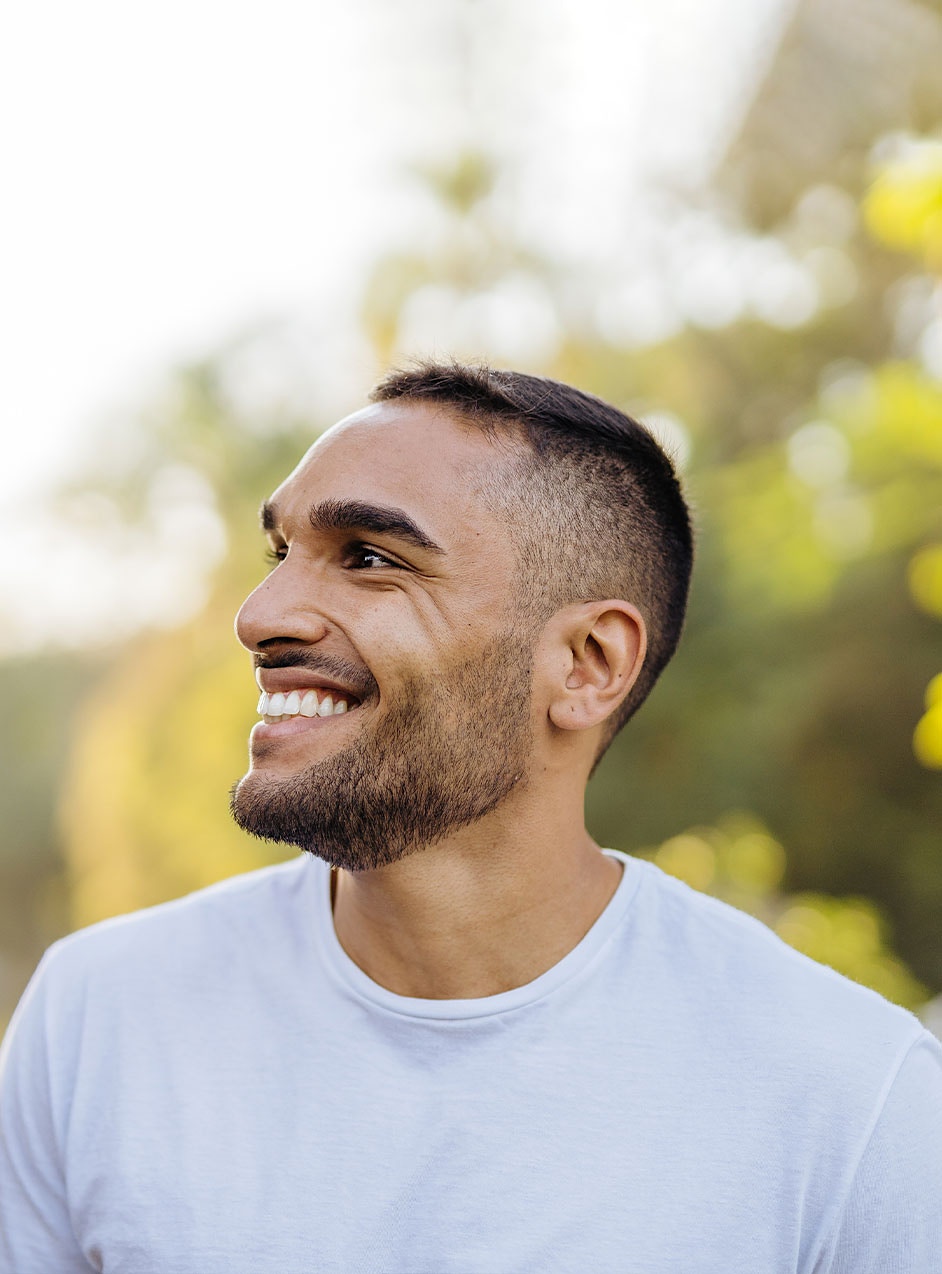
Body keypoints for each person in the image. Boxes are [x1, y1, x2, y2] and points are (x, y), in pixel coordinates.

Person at [1, 362, 940, 1273]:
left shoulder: (854, 1102)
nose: (260, 615)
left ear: (587, 663)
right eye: (282, 554)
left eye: (370, 558)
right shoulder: (98, 1018)